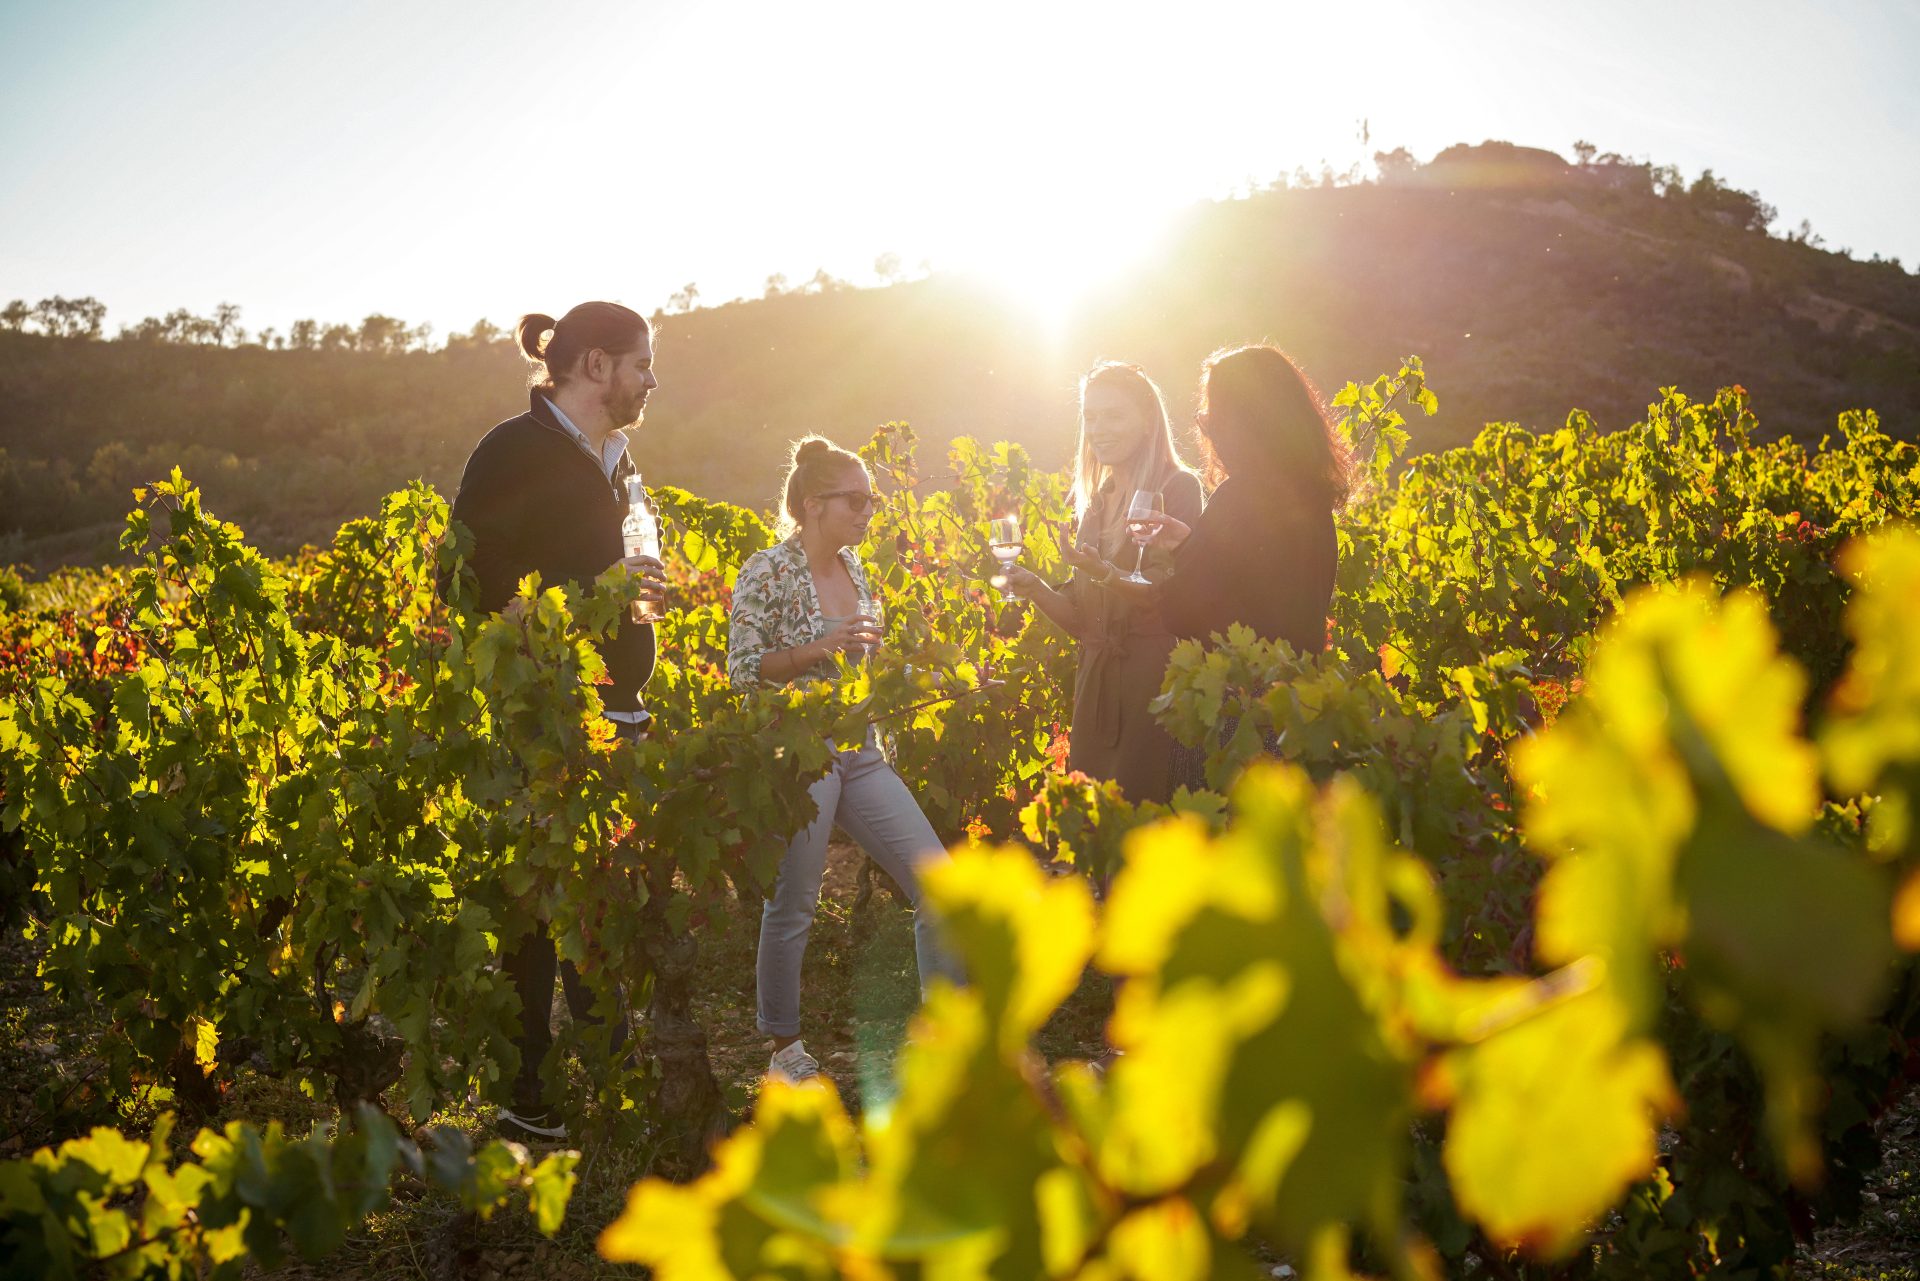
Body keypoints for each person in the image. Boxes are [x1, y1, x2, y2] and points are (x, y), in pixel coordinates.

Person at [447, 301, 669, 1141]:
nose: (652, 378)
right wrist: (582, 606)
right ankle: (525, 1090)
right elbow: (468, 577)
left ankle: (607, 1064)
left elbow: (611, 571)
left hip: (618, 710)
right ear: (597, 365)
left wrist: (639, 592)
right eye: (642, 362)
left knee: (602, 887)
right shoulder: (512, 450)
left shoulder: (616, 457)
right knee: (538, 899)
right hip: (545, 713)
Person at [727, 436, 961, 1084]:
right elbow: (743, 671)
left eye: (873, 501)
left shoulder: (857, 569)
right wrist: (814, 649)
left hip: (860, 751)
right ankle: (785, 1051)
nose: (868, 512)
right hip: (802, 753)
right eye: (856, 500)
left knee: (938, 885)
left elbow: (857, 658)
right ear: (813, 504)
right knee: (794, 901)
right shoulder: (767, 570)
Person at [1104, 345, 1351, 787]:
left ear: (1245, 420)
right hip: (1298, 712)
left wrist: (1114, 578)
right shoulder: (1312, 500)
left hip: (1235, 716)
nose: (1211, 433)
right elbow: (1259, 587)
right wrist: (1191, 542)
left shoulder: (1238, 498)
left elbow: (1185, 611)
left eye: (1212, 420)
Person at [1004, 362, 1205, 804]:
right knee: (1096, 824)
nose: (1099, 429)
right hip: (1096, 684)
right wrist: (1035, 586)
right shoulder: (1097, 501)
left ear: (1148, 420)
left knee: (1144, 818)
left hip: (1155, 681)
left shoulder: (1180, 488)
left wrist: (1102, 572)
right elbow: (1085, 623)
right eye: (1090, 417)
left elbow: (1164, 591)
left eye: (1114, 415)